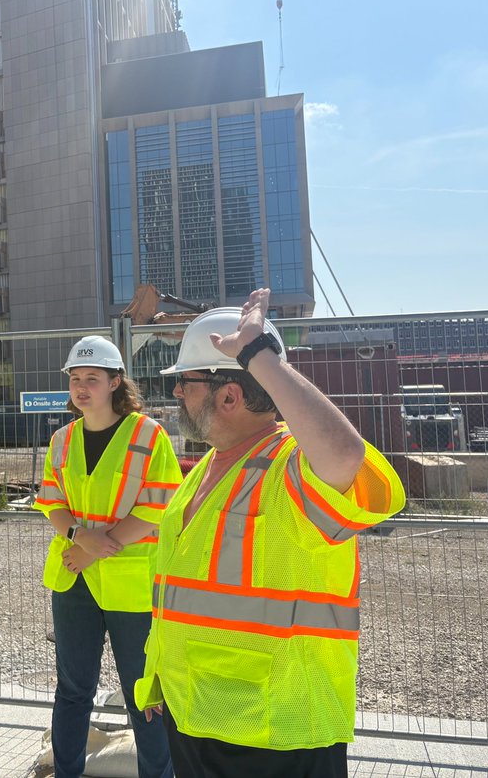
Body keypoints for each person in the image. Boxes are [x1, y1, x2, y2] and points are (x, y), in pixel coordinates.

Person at [135, 289, 406, 778]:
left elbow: (346, 456)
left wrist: (258, 356)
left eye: (186, 383)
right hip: (196, 712)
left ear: (230, 395)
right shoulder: (204, 471)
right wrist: (160, 675)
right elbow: (182, 589)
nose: (176, 393)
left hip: (279, 730)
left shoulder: (289, 468)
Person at [35, 335, 181, 778]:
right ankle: (66, 772)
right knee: (73, 691)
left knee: (144, 693)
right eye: (75, 379)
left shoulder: (147, 434)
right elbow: (52, 501)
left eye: (92, 378)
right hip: (74, 580)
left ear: (116, 381)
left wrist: (95, 548)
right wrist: (81, 538)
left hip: (130, 583)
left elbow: (160, 506)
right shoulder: (62, 439)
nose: (81, 387)